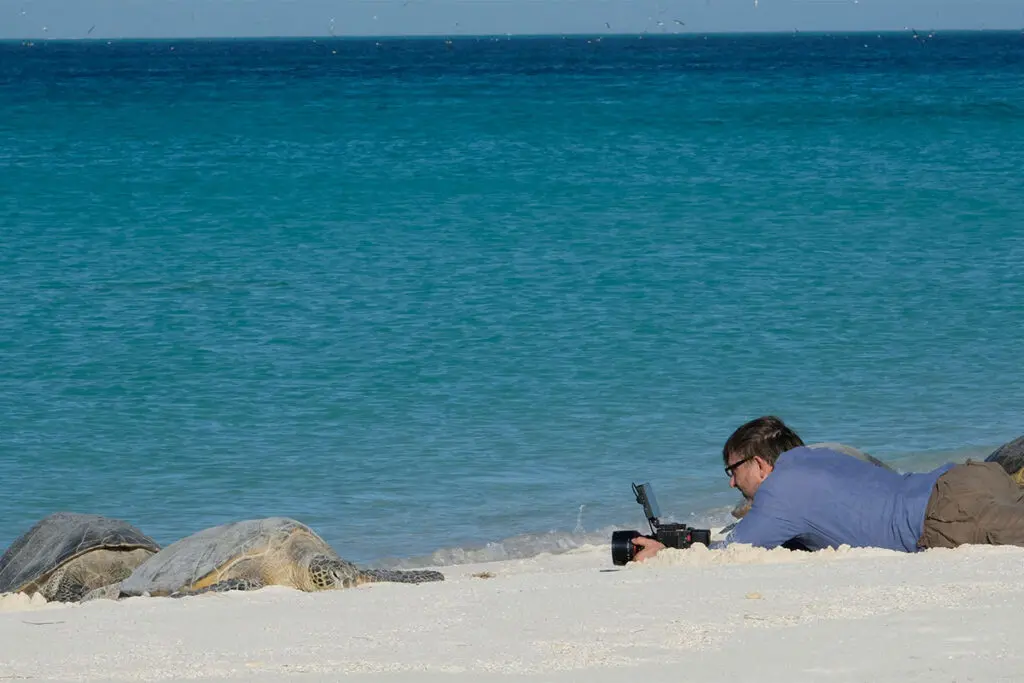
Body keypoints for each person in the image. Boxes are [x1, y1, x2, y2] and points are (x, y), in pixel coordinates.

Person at [631, 415, 1024, 562]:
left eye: (733, 470)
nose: (732, 482)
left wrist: (666, 554)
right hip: (968, 478)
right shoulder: (817, 456)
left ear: (760, 464)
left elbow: (732, 555)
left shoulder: (780, 492)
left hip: (949, 516)